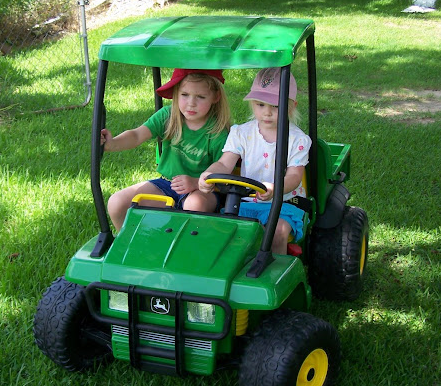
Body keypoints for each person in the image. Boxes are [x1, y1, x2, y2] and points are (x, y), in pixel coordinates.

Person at [101, 68, 231, 231]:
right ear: (176, 93)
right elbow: (136, 135)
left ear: (215, 97)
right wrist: (111, 143)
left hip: (204, 190)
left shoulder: (218, 132)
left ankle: (186, 251)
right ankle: (130, 246)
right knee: (117, 202)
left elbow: (223, 176)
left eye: (200, 97)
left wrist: (195, 183)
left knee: (194, 204)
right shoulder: (168, 116)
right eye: (184, 95)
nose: (191, 103)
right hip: (166, 184)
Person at [199, 67, 311, 254]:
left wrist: (276, 188)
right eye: (260, 105)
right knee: (219, 231)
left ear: (292, 106)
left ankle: (274, 275)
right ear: (252, 104)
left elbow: (294, 176)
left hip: (284, 203)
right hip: (245, 202)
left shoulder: (297, 140)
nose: (267, 112)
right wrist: (209, 173)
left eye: (275, 106)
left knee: (277, 232)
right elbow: (225, 163)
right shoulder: (241, 133)